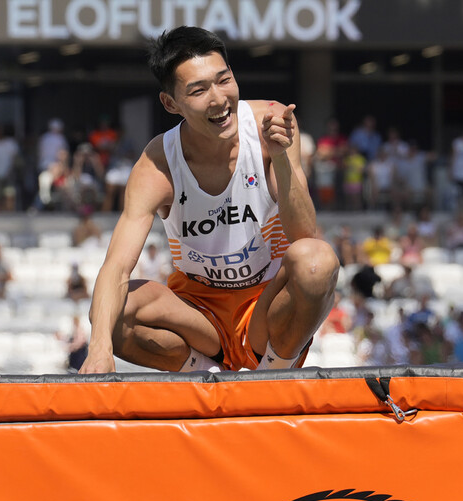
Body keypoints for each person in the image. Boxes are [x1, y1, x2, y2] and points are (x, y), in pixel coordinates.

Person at [79, 27, 338, 374]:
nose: (218, 99)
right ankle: (203, 373)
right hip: (199, 314)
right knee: (109, 312)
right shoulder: (157, 164)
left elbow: (304, 234)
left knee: (317, 261)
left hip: (266, 308)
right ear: (171, 103)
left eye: (224, 80)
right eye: (199, 90)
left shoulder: (269, 121)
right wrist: (98, 350)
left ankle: (272, 374)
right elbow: (117, 267)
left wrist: (279, 157)